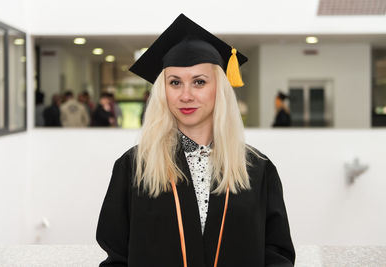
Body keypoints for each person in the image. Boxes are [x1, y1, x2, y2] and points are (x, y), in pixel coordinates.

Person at [96, 14, 295, 267]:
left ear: (219, 89)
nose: (186, 95)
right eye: (175, 82)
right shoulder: (134, 166)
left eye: (199, 82)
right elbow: (116, 257)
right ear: (162, 91)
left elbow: (276, 255)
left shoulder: (256, 168)